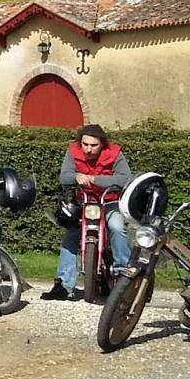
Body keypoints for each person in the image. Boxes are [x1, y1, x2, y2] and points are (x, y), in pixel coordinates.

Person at [42, 123, 133, 300]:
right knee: (71, 232)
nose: (89, 149)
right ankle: (64, 284)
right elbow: (64, 176)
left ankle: (124, 276)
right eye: (85, 145)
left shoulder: (115, 153)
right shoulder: (73, 151)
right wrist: (76, 176)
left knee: (116, 226)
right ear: (80, 143)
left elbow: (125, 178)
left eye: (94, 145)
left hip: (109, 200)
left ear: (102, 144)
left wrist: (95, 179)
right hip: (84, 201)